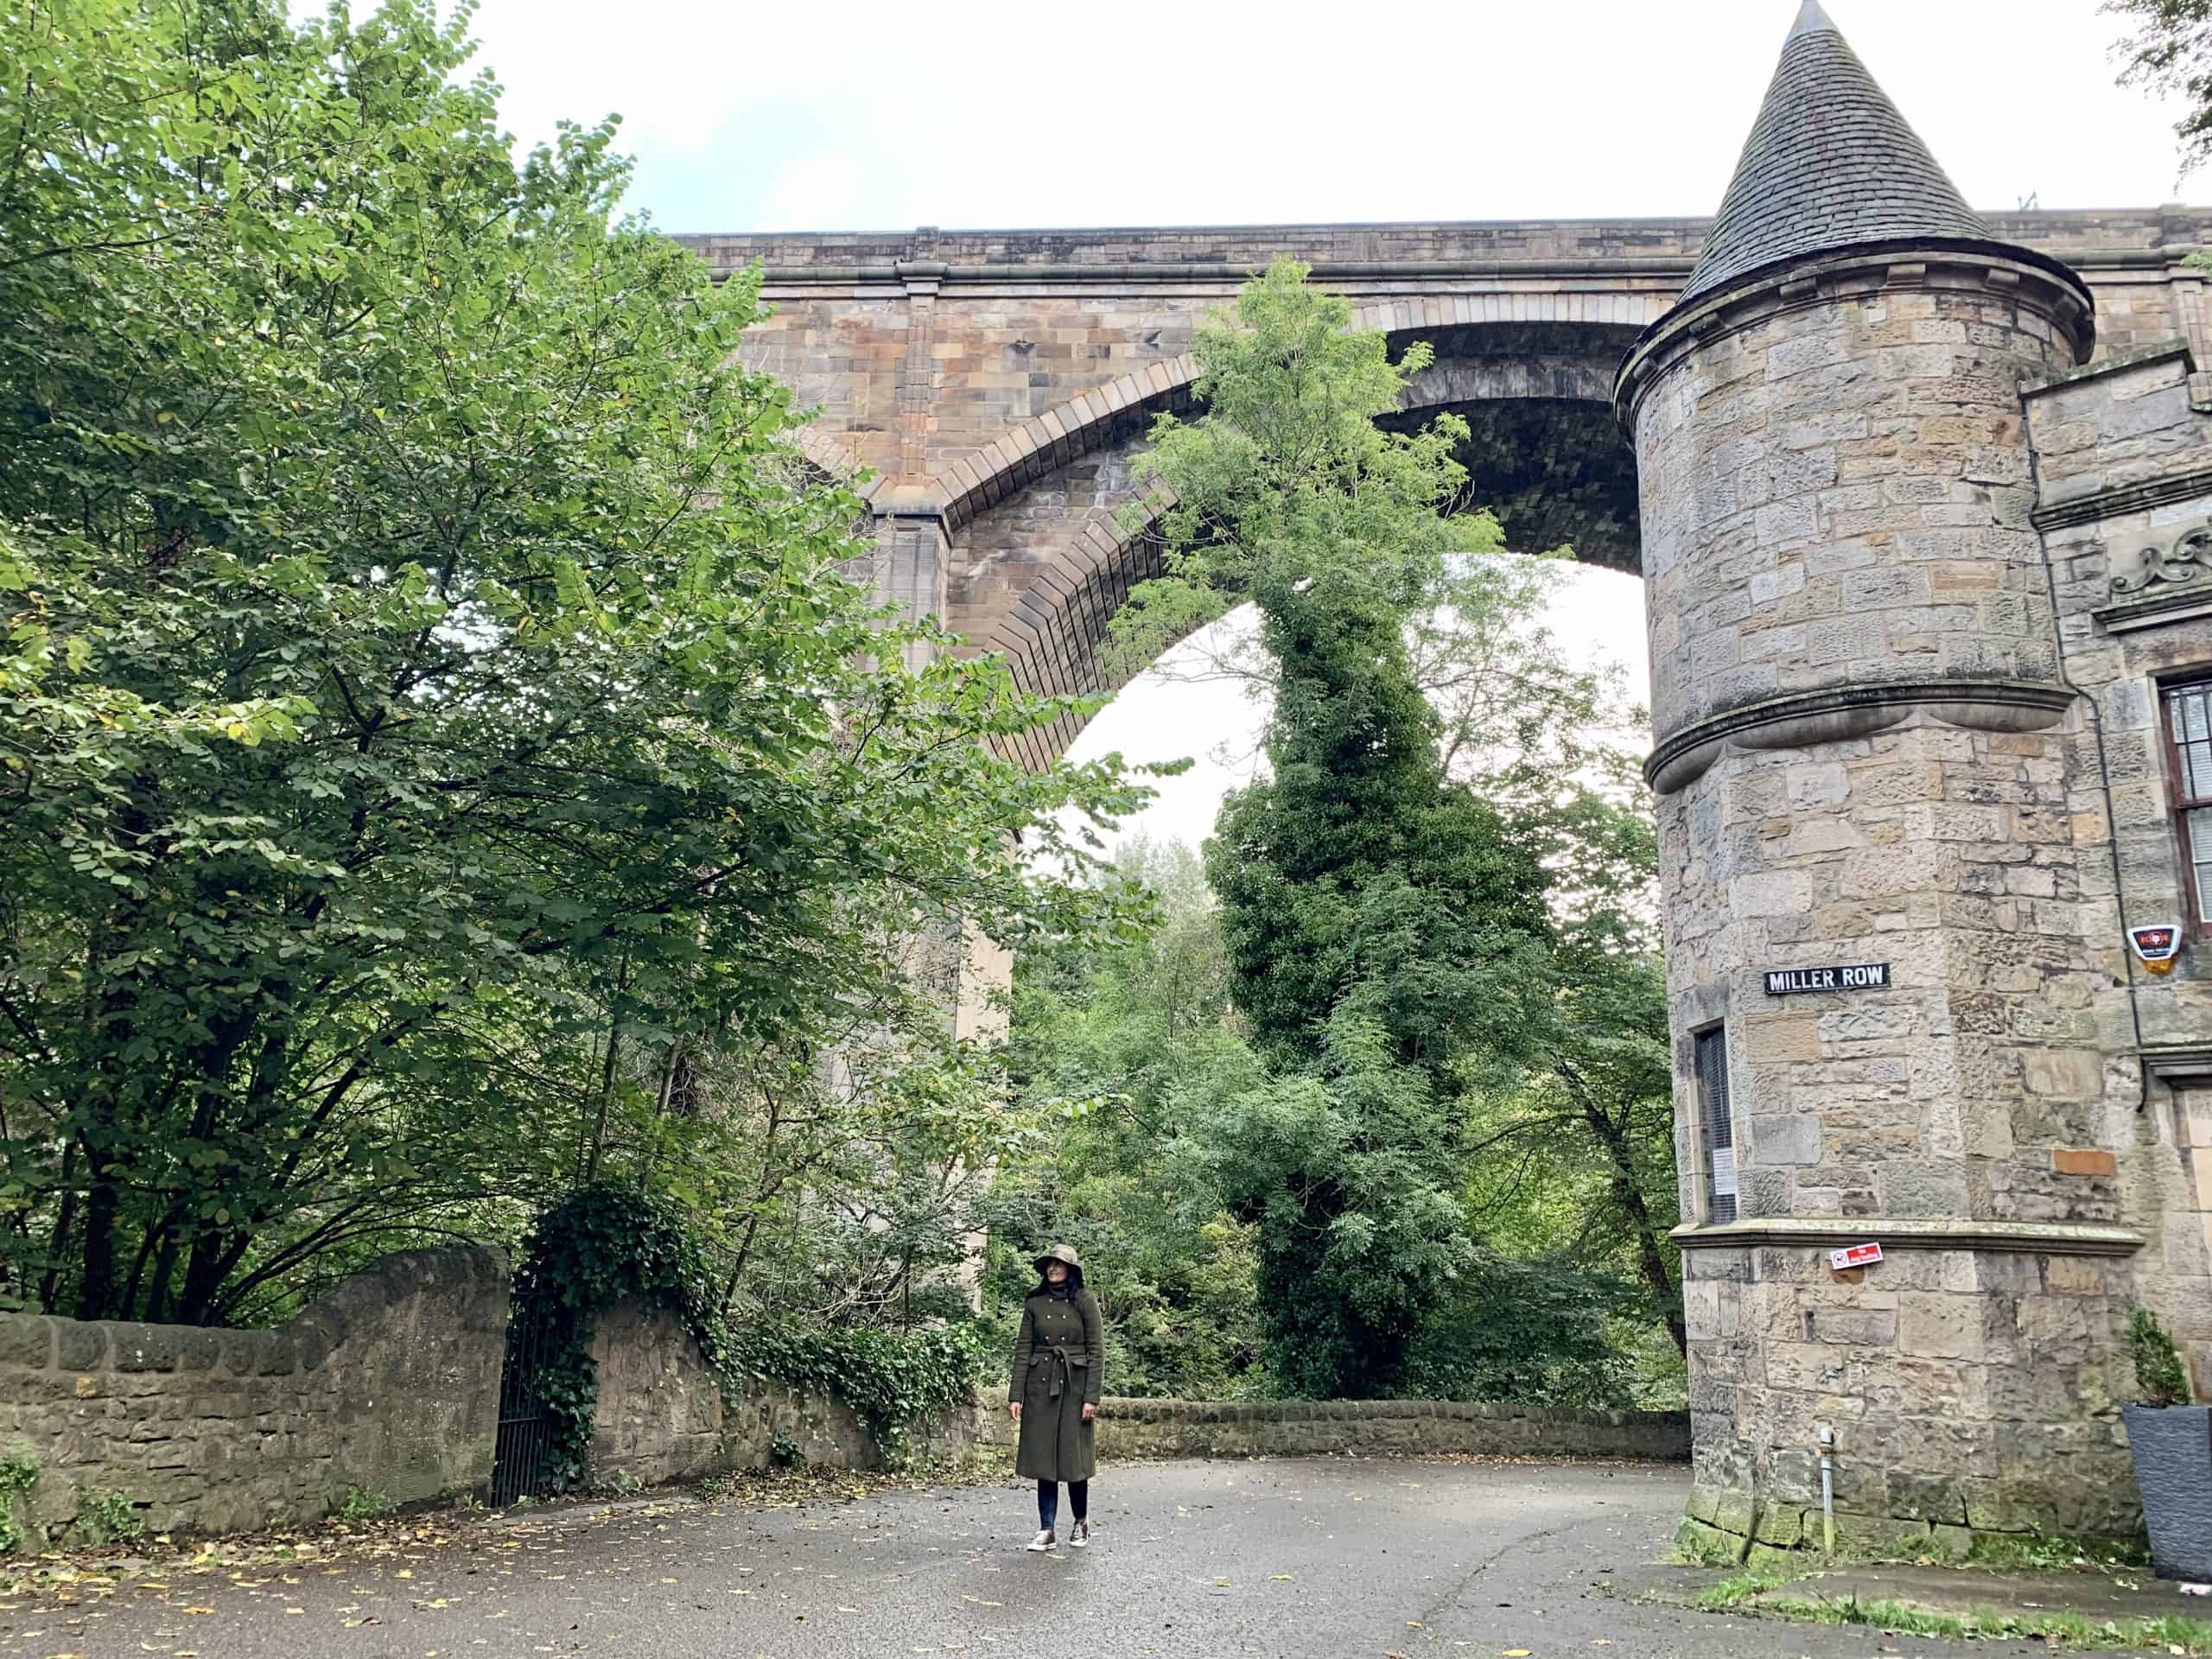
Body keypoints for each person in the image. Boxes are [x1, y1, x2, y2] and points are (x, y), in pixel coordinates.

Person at [1008, 1243, 1102, 1551]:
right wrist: (1016, 1394)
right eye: (1050, 1264)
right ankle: (1046, 1529)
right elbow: (1024, 1349)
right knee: (1043, 1461)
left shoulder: (1085, 1301)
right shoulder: (1034, 1303)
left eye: (1059, 1264)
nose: (1053, 1268)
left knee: (1074, 1460)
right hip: (1041, 1387)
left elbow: (1096, 1352)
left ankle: (1080, 1521)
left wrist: (1091, 1397)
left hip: (1075, 1389)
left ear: (1071, 1269)